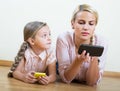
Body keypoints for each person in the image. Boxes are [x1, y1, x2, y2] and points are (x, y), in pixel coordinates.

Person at [56, 4, 108, 86]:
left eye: (91, 24)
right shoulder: (64, 38)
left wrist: (94, 59)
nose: (86, 27)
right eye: (81, 23)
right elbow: (66, 79)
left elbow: (92, 83)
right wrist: (78, 61)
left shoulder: (101, 42)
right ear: (72, 24)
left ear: (95, 26)